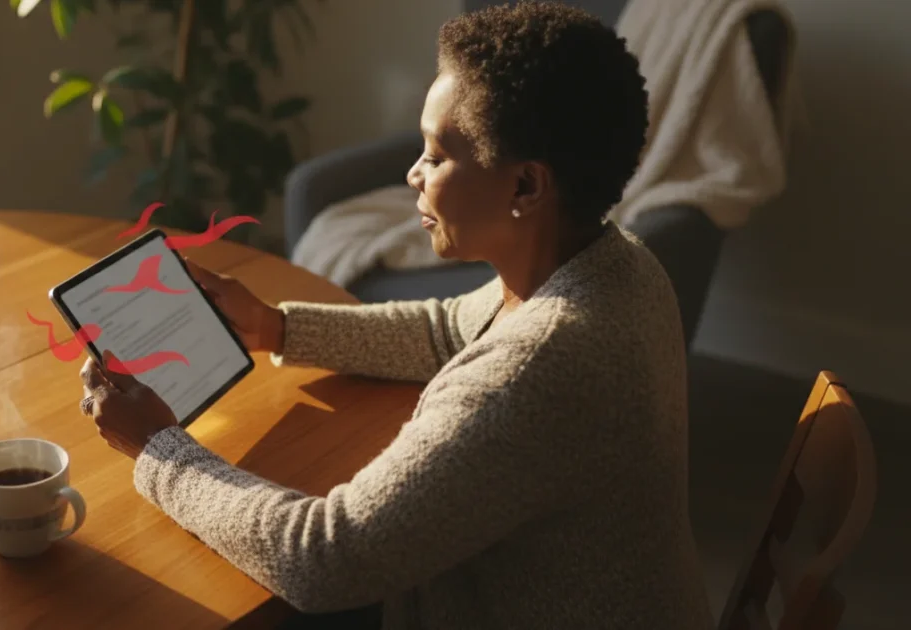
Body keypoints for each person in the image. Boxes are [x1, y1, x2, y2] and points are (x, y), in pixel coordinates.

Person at [78, 1, 715, 628]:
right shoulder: (616, 261)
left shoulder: (537, 369)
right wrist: (275, 325)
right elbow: (447, 328)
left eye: (437, 156)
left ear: (525, 186)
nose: (413, 174)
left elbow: (324, 559)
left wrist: (157, 448)